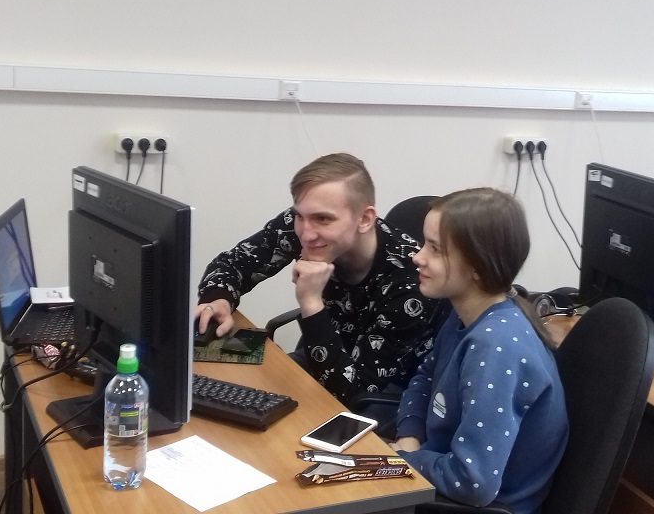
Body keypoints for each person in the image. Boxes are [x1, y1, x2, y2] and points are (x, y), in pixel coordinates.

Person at [195, 153, 440, 405]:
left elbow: (354, 395)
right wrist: (218, 299)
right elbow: (233, 263)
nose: (306, 234)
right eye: (300, 215)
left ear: (365, 219)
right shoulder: (304, 225)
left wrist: (310, 302)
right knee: (229, 394)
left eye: (323, 219)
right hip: (322, 354)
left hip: (389, 391)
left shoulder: (411, 280)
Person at [390, 188, 568, 514]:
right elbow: (426, 378)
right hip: (437, 478)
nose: (418, 257)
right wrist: (410, 434)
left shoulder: (495, 347)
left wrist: (407, 459)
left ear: (477, 266)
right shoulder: (466, 313)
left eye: (435, 249)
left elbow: (473, 481)